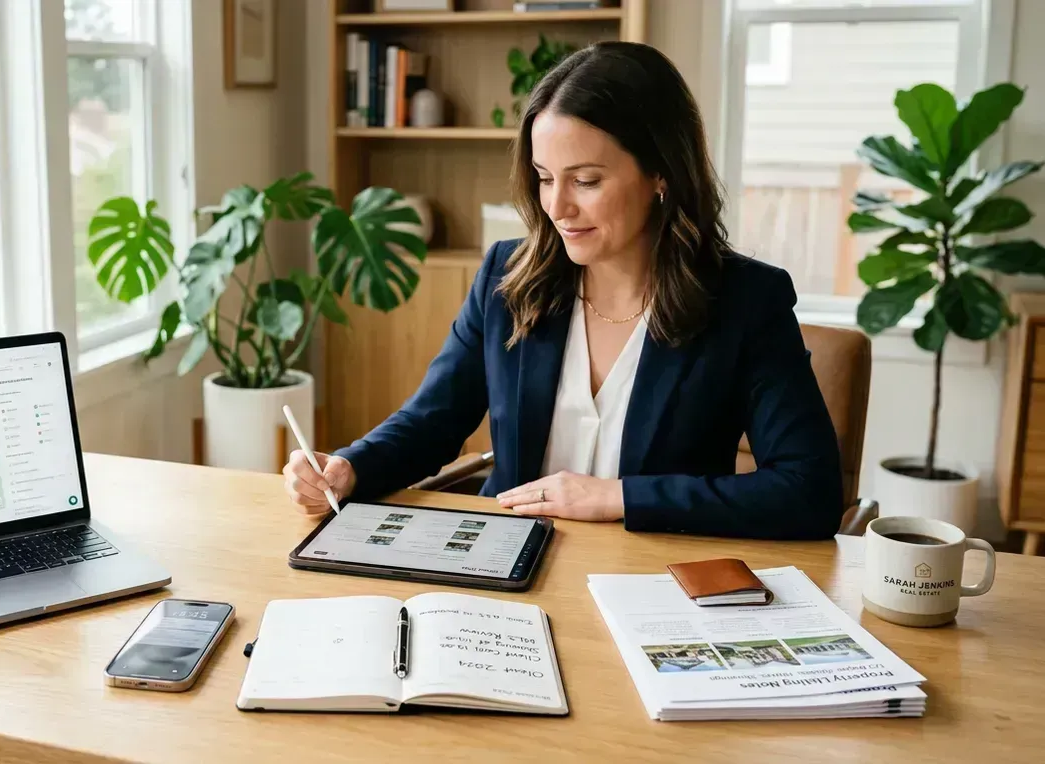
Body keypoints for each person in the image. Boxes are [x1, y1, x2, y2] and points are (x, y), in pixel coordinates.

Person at [283, 41, 844, 540]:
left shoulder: (747, 300)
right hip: (507, 568)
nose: (556, 207)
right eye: (545, 178)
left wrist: (616, 497)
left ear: (661, 174)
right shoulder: (508, 276)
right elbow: (433, 420)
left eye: (586, 180)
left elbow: (809, 492)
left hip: (654, 581)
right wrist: (350, 467)